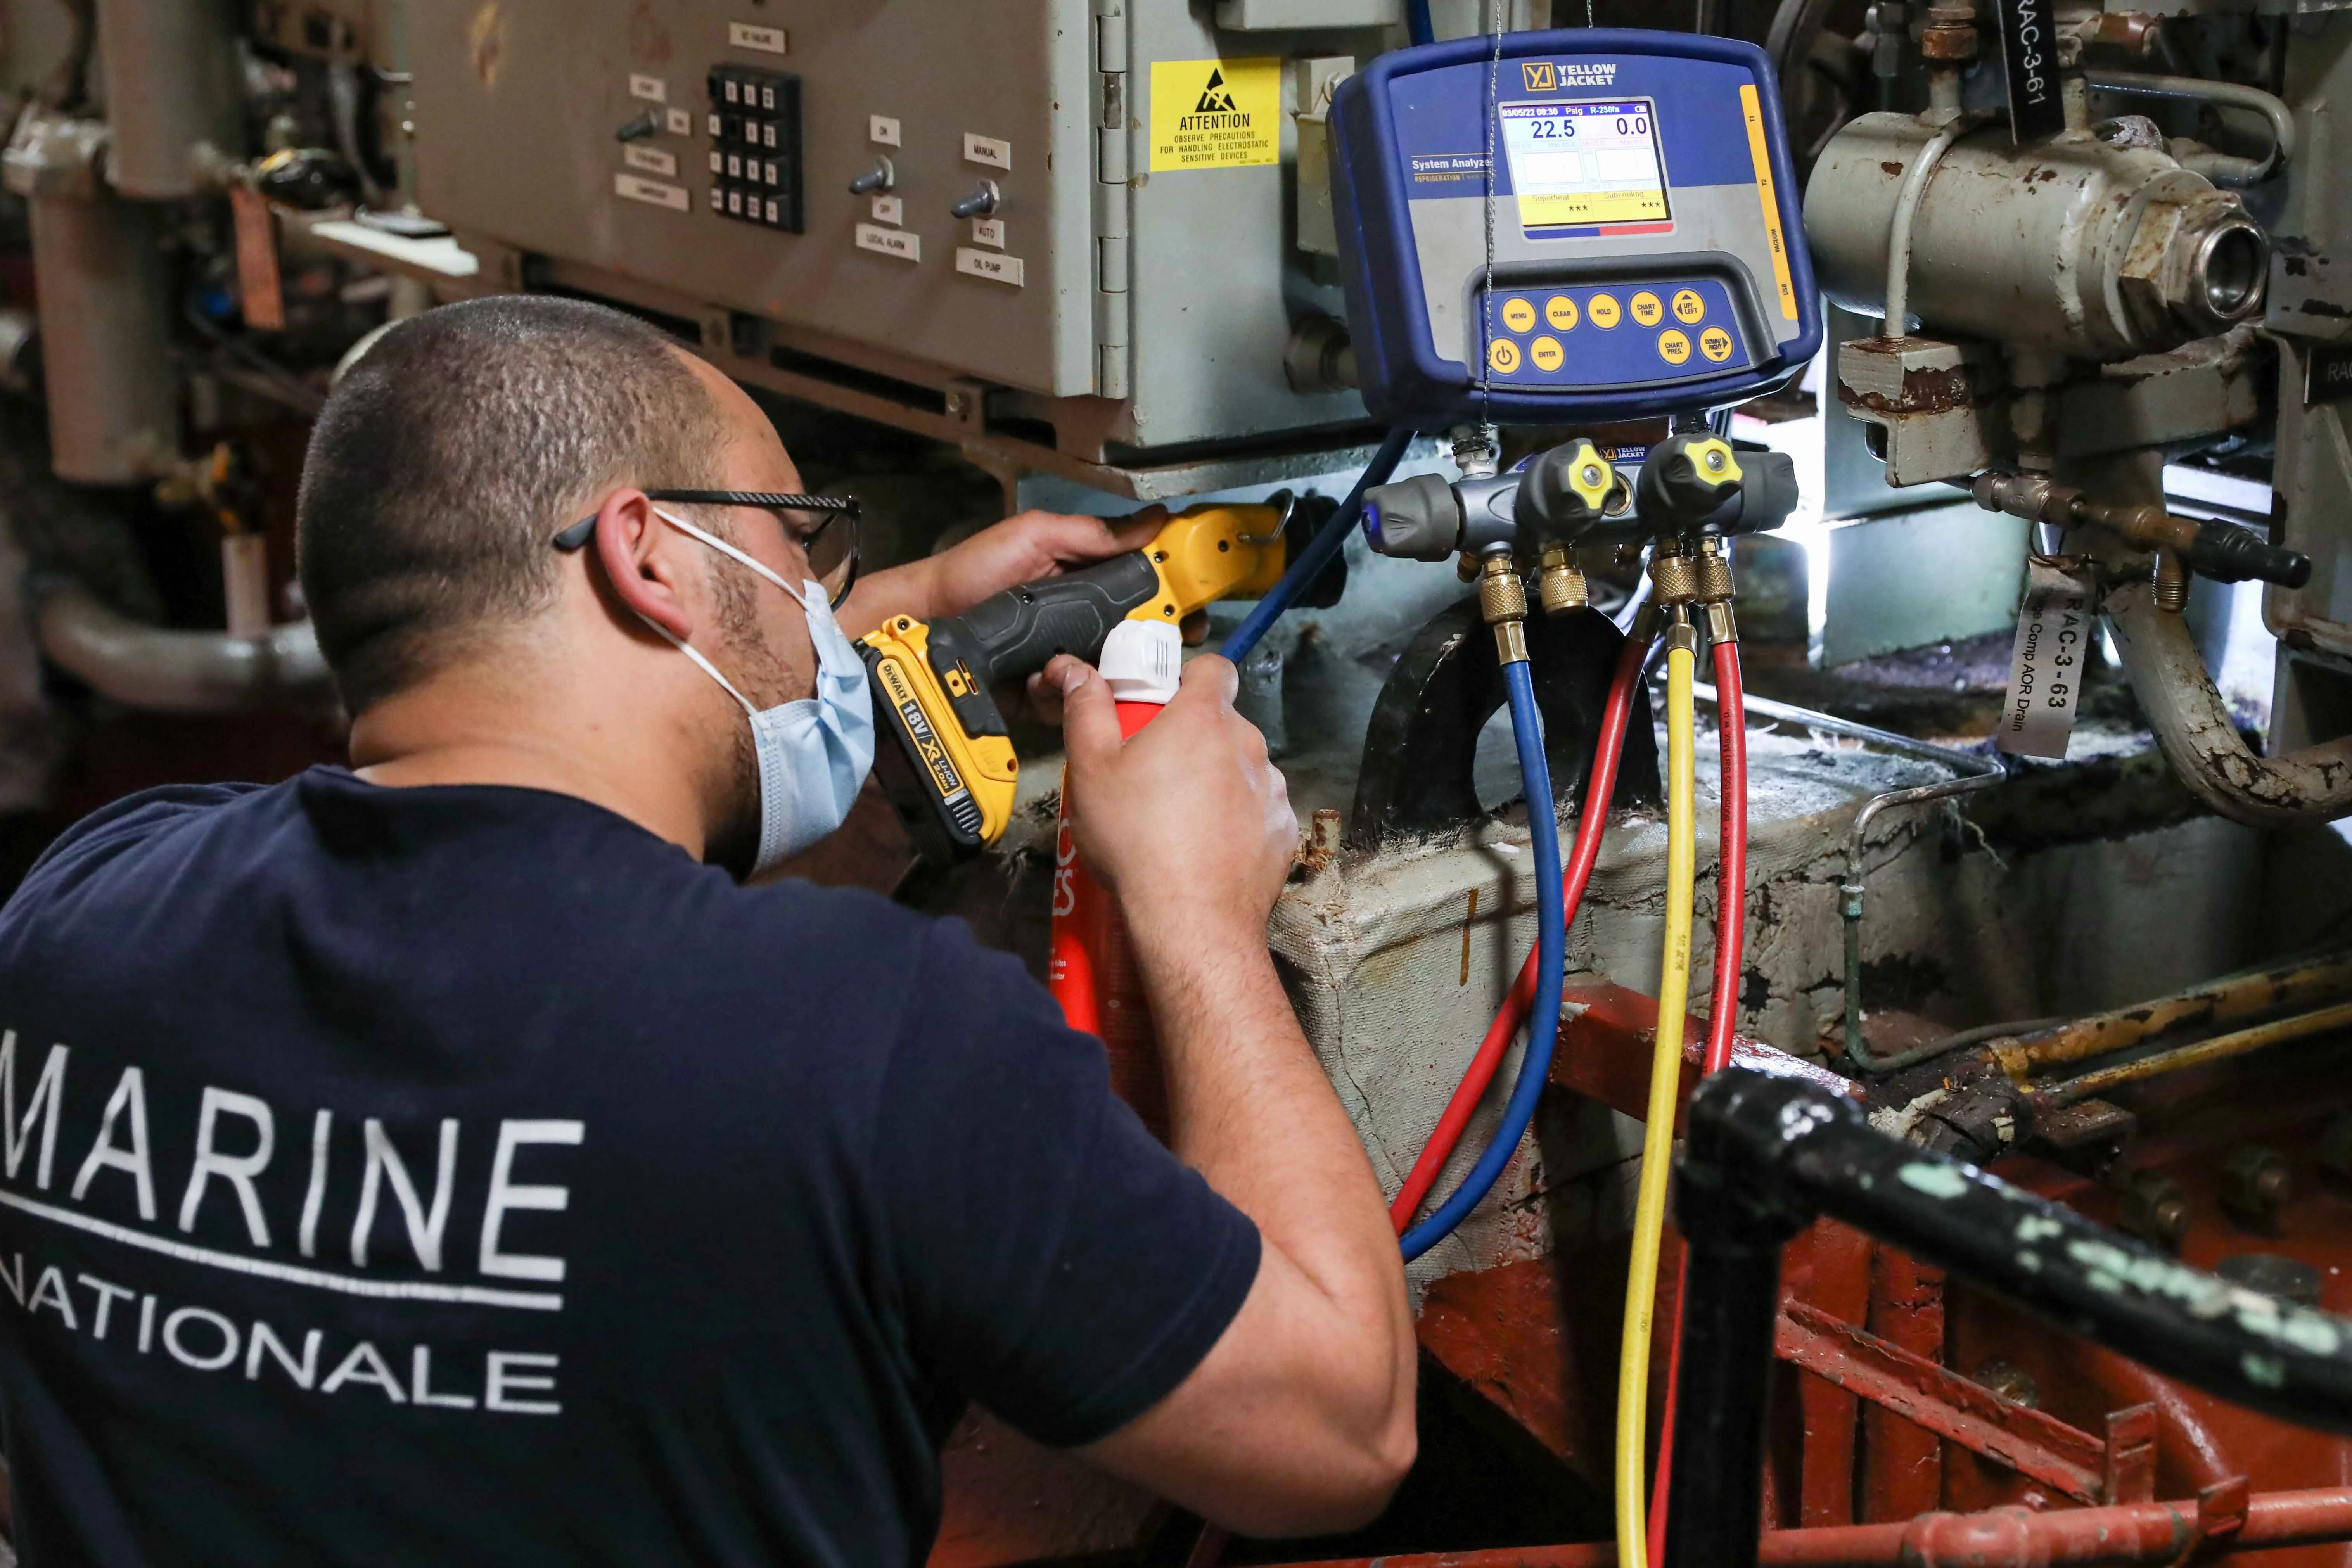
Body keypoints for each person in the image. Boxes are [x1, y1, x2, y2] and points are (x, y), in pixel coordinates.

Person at [0, 296, 1413, 1566]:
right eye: (801, 548)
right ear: (647, 555)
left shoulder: (84, 910)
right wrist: (1196, 910)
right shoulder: (875, 1042)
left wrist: (876, 643)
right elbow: (1338, 1434)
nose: (823, 598)